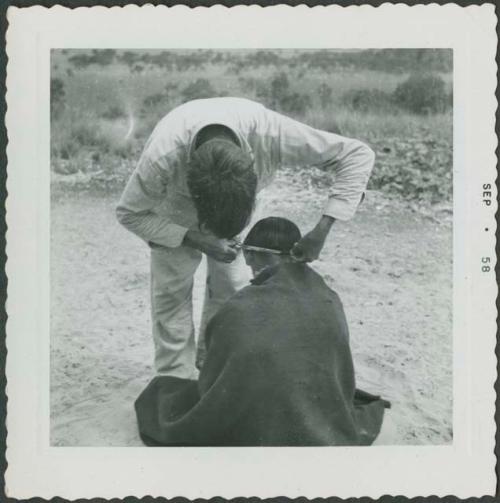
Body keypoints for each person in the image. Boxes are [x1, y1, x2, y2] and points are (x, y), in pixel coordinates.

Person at [116, 97, 375, 379]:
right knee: (171, 295)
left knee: (232, 286)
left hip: (235, 203)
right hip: (173, 212)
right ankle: (173, 380)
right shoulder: (163, 156)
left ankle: (217, 366)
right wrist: (194, 238)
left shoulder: (270, 134)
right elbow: (130, 213)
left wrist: (322, 230)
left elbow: (357, 155)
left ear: (252, 165)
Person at [135, 217, 389, 446]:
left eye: (248, 254)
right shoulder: (330, 298)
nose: (246, 260)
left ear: (251, 256)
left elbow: (213, 380)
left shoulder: (239, 308)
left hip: (259, 417)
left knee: (160, 395)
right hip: (320, 409)